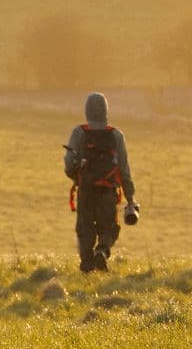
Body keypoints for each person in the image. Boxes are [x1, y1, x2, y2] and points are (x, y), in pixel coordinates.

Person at [64, 92, 139, 273]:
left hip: (86, 190)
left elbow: (68, 163)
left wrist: (77, 177)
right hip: (108, 192)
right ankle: (102, 251)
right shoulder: (116, 136)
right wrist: (130, 198)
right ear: (106, 110)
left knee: (85, 230)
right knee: (109, 227)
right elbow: (124, 169)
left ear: (87, 110)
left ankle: (86, 268)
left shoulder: (79, 133)